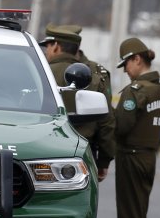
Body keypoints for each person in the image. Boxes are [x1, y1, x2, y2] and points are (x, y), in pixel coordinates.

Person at [103, 37, 160, 218]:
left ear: (136, 60)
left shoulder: (136, 91)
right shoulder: (158, 90)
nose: (126, 70)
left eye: (126, 64)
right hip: (148, 158)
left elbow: (122, 126)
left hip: (131, 157)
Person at [39, 24, 115, 181]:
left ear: (55, 46)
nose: (46, 51)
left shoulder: (38, 71)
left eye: (47, 46)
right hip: (82, 154)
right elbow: (106, 122)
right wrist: (103, 161)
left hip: (42, 151)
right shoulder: (95, 75)